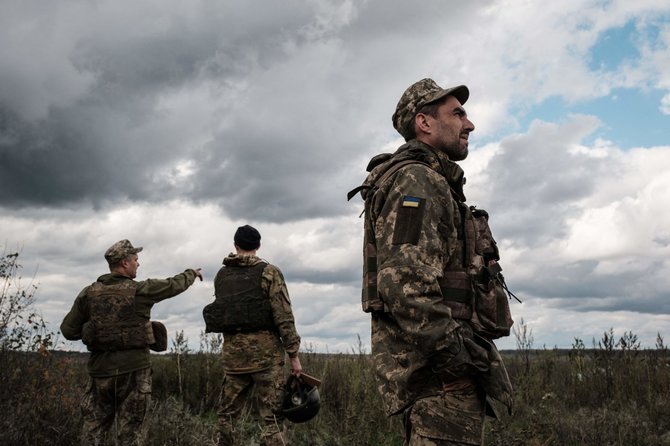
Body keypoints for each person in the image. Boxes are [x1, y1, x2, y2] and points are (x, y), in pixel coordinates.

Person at [349, 78, 514, 445]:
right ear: (424, 123)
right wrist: (459, 360)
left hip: (439, 377)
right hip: (440, 381)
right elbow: (404, 285)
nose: (468, 124)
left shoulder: (431, 179)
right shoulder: (417, 181)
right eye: (457, 114)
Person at [60, 239, 203, 446]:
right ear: (125, 263)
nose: (138, 263)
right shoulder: (140, 291)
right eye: (136, 259)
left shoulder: (88, 293)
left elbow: (68, 330)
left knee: (93, 431)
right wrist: (191, 273)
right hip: (134, 373)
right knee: (131, 434)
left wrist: (96, 332)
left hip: (100, 373)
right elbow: (172, 285)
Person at [203, 225, 302, 446]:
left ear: (235, 245)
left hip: (233, 359)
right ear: (258, 246)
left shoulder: (221, 275)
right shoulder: (269, 272)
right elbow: (283, 316)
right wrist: (294, 356)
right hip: (266, 359)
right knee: (272, 418)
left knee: (226, 416)